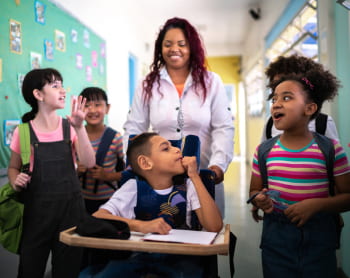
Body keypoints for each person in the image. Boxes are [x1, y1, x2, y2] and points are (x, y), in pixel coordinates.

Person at [123, 17, 234, 217]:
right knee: (163, 232)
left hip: (203, 175)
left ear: (192, 48)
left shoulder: (211, 81)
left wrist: (218, 166)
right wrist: (134, 164)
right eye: (168, 44)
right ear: (160, 48)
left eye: (182, 44)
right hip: (159, 179)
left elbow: (223, 128)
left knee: (205, 235)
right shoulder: (147, 83)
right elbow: (134, 128)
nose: (175, 49)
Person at [248, 67, 350, 277]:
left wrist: (318, 205)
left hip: (319, 241)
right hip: (276, 241)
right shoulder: (264, 151)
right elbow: (254, 191)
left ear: (310, 108)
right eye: (274, 98)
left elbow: (348, 197)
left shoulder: (330, 149)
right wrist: (259, 199)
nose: (276, 103)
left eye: (286, 98)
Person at [81, 132, 223, 277]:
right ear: (145, 163)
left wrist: (194, 176)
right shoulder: (132, 188)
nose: (177, 149)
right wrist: (140, 226)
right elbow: (99, 216)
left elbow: (214, 226)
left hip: (180, 259)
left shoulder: (189, 186)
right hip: (138, 257)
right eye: (165, 148)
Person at [7, 68, 95, 278]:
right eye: (55, 86)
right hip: (35, 214)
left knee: (68, 270)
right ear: (38, 94)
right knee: (30, 270)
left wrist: (80, 128)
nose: (62, 91)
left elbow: (89, 163)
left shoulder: (70, 127)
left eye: (62, 85)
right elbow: (12, 168)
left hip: (70, 213)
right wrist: (14, 180)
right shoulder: (23, 131)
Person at [261, 54, 339, 142]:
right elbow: (262, 152)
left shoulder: (323, 122)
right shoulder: (270, 124)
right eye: (275, 86)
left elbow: (334, 153)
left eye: (287, 96)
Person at [78, 87, 124, 215]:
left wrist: (107, 176)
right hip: (80, 200)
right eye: (86, 106)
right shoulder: (75, 135)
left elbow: (130, 172)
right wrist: (76, 170)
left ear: (107, 108)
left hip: (109, 202)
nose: (92, 110)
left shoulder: (116, 137)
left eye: (97, 105)